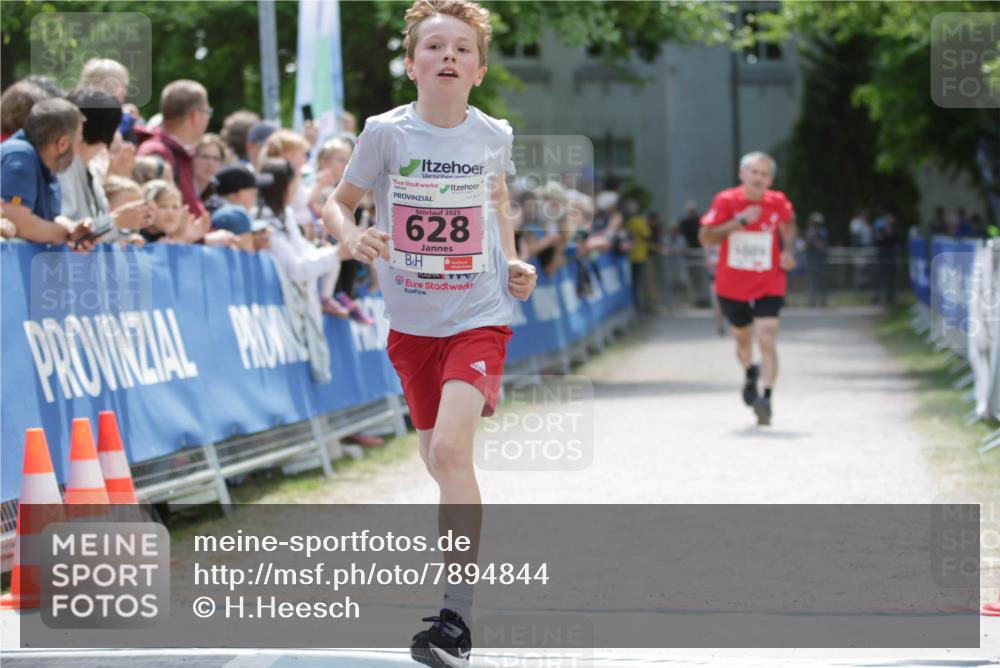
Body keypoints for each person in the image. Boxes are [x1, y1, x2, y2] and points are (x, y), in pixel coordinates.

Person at [321, 1, 537, 664]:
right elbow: (335, 201)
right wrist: (351, 235)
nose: (449, 56)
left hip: (480, 314)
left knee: (448, 453)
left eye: (462, 49)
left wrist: (515, 256)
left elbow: (497, 199)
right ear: (412, 64)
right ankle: (456, 597)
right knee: (438, 461)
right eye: (435, 47)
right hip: (410, 323)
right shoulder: (387, 134)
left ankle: (455, 619)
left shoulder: (491, 134)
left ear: (478, 69)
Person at [699, 151, 796, 426]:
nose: (758, 177)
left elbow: (789, 223)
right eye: (754, 171)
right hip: (732, 285)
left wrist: (788, 249)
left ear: (770, 180)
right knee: (743, 340)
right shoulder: (727, 200)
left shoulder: (778, 202)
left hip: (769, 279)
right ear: (743, 174)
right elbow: (705, 237)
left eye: (764, 174)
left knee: (767, 337)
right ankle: (749, 372)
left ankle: (766, 398)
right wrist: (739, 221)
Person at [59, 88, 153, 242]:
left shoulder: (91, 169)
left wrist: (123, 237)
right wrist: (116, 220)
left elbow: (95, 228)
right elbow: (69, 230)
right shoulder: (63, 168)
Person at [0, 98, 94, 249]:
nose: (79, 150)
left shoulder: (44, 165)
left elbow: (48, 217)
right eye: (78, 142)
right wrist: (65, 234)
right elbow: (18, 222)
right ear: (63, 144)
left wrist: (72, 228)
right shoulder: (19, 156)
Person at [136, 79, 212, 218]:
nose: (208, 117)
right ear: (195, 116)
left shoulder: (175, 151)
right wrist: (204, 240)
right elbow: (155, 220)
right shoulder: (157, 153)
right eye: (208, 111)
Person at [193, 133, 229, 202]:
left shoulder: (216, 192)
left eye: (216, 158)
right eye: (205, 157)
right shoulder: (182, 188)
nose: (211, 163)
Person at [804, 212, 829, 307]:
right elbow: (807, 244)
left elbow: (822, 246)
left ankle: (823, 300)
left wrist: (815, 242)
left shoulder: (822, 231)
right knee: (812, 281)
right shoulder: (809, 231)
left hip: (820, 260)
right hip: (811, 260)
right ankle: (812, 301)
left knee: (822, 281)